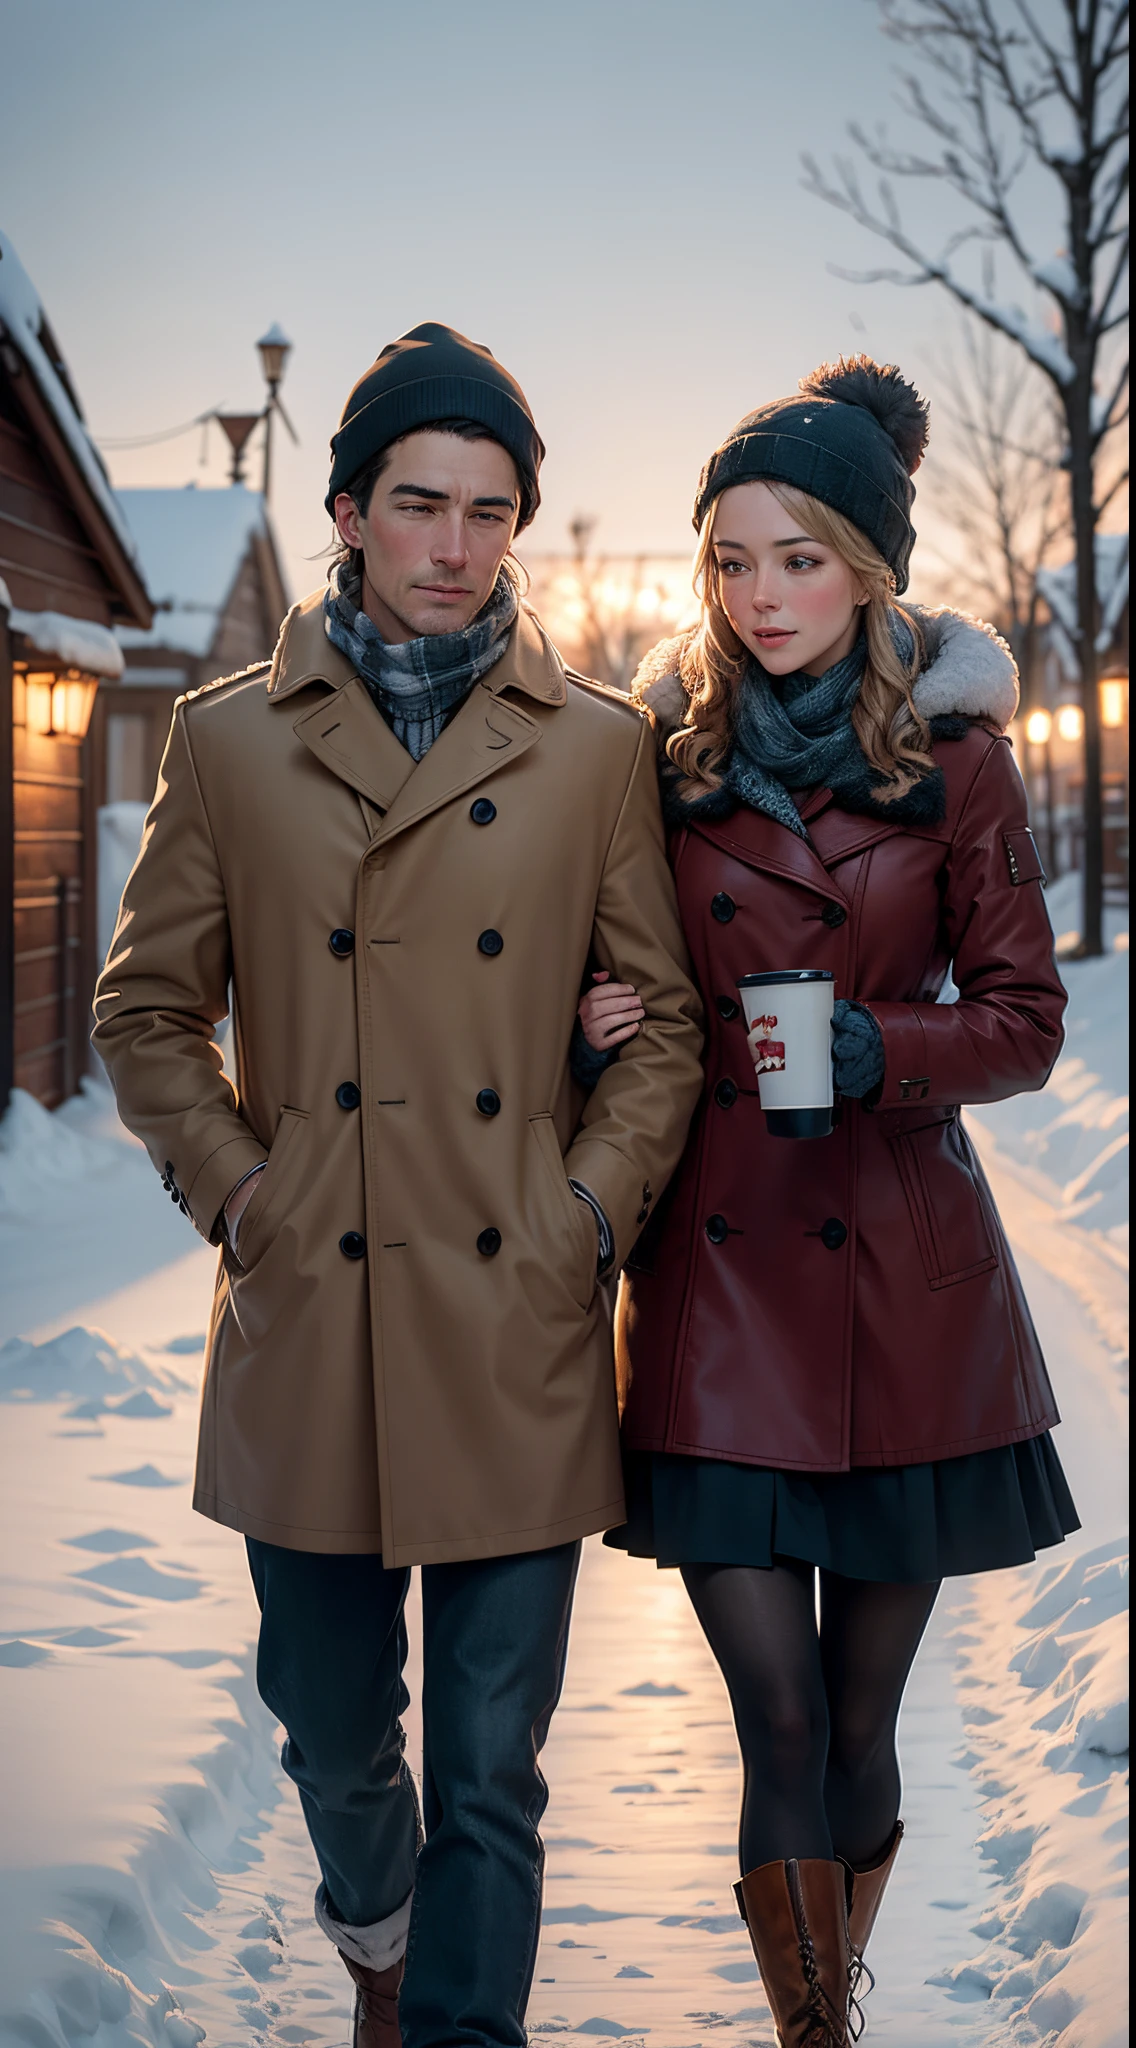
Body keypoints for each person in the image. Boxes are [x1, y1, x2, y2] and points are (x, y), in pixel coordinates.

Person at [93, 322, 704, 2048]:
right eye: (419, 505)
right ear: (348, 510)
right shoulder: (226, 742)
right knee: (326, 1716)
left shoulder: (594, 747)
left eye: (490, 511)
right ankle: (379, 1940)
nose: (454, 546)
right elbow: (145, 1013)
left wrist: (586, 1213)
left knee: (493, 1774)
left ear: (520, 524)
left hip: (512, 1311)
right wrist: (242, 1197)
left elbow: (658, 1030)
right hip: (315, 1307)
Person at [576, 356, 1077, 2047]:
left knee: (861, 1729)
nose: (760, 594)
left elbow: (1026, 1024)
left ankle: (822, 2020)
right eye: (730, 558)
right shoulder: (650, 759)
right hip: (720, 1299)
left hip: (903, 1300)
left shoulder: (962, 765)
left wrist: (878, 1047)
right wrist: (595, 1027)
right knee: (774, 1723)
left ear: (870, 569)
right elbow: (608, 975)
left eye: (798, 557)